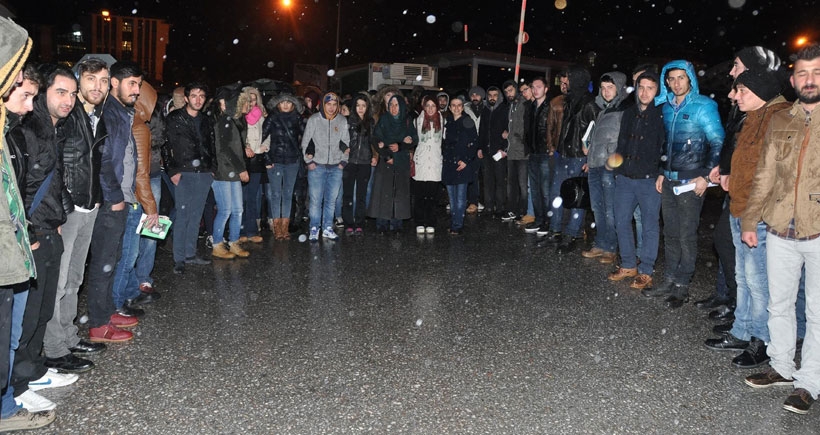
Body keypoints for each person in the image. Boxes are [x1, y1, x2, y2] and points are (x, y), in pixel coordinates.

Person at [741, 44, 820, 415]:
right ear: (793, 79)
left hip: (818, 230)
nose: (809, 79)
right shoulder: (780, 120)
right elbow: (764, 175)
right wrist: (749, 219)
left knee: (818, 312)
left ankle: (809, 383)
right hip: (779, 228)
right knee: (779, 304)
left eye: (816, 72)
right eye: (803, 73)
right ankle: (782, 367)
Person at [703, 69, 790, 368]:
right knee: (743, 278)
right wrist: (725, 172)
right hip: (740, 206)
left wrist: (754, 216)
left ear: (759, 91)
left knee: (758, 281)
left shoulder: (777, 119)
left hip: (759, 214)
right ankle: (742, 330)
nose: (733, 95)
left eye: (740, 90)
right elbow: (746, 162)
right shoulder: (754, 116)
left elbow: (771, 174)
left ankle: (761, 340)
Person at [0, 16, 56, 431]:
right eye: (27, 93)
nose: (30, 105)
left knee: (11, 325)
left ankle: (6, 397)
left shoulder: (6, 129)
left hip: (12, 245)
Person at [12, 65, 79, 414]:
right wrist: (32, 231)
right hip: (35, 232)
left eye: (71, 93)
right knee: (28, 315)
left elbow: (51, 183)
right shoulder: (30, 130)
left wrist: (59, 218)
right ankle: (19, 384)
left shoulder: (54, 130)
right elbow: (21, 187)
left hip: (50, 228)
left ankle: (34, 370)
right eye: (60, 92)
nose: (68, 100)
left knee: (41, 310)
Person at [42, 57, 109, 374]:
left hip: (88, 205)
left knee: (74, 279)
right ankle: (53, 349)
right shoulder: (70, 116)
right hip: (68, 208)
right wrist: (64, 205)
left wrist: (95, 199)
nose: (98, 86)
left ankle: (67, 337)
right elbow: (56, 164)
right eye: (92, 79)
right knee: (58, 282)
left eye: (104, 81)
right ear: (79, 80)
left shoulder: (97, 117)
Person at [643, 59, 725, 308]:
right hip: (668, 179)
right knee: (670, 232)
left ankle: (682, 285)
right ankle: (669, 279)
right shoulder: (666, 107)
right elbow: (664, 144)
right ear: (666, 82)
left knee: (686, 235)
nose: (676, 83)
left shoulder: (704, 106)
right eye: (672, 78)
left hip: (692, 181)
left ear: (690, 78)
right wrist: (660, 171)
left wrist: (705, 175)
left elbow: (718, 142)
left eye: (681, 77)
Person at [83, 61, 147, 344]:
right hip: (111, 201)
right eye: (131, 84)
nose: (137, 90)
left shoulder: (121, 111)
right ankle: (98, 323)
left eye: (139, 84)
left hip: (118, 198)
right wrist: (115, 197)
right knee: (103, 263)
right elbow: (105, 159)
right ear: (115, 84)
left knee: (112, 260)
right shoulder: (110, 112)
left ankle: (106, 312)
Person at [608, 71, 665, 290]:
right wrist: (617, 168)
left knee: (650, 224)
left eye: (650, 88)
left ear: (657, 90)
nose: (644, 92)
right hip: (625, 177)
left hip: (648, 179)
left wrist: (661, 171)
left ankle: (646, 270)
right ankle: (629, 264)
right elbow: (622, 143)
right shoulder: (629, 113)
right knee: (621, 220)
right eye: (641, 87)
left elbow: (665, 145)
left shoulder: (662, 114)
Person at [109, 80, 159, 317]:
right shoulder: (139, 128)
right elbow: (140, 173)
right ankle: (118, 302)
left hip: (125, 196)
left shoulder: (128, 122)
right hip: (133, 199)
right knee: (128, 254)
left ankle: (128, 292)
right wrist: (151, 207)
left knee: (126, 252)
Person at [548, 66, 601, 253]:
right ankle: (555, 231)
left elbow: (595, 133)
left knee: (577, 197)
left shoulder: (590, 104)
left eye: (569, 78)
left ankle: (571, 234)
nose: (566, 82)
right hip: (563, 154)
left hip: (579, 156)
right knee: (556, 194)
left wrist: (590, 158)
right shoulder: (570, 101)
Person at [165, 82, 215, 273]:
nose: (198, 99)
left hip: (203, 172)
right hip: (183, 171)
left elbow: (211, 144)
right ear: (186, 98)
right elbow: (166, 145)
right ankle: (179, 258)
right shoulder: (175, 118)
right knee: (183, 215)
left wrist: (212, 169)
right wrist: (172, 171)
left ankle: (190, 253)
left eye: (201, 96)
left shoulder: (206, 120)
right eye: (194, 95)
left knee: (196, 215)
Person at [582, 72, 628, 264]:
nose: (606, 91)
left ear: (619, 88)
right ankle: (600, 243)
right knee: (597, 208)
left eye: (610, 87)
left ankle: (611, 247)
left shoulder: (624, 111)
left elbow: (622, 143)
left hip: (609, 168)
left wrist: (613, 164)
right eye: (603, 88)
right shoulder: (602, 112)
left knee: (610, 210)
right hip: (594, 165)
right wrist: (589, 155)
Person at [302, 92, 349, 241]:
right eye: (328, 104)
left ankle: (327, 227)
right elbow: (305, 141)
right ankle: (314, 227)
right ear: (323, 104)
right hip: (318, 166)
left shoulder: (342, 121)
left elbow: (346, 142)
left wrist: (343, 162)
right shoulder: (314, 119)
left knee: (331, 200)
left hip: (336, 167)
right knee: (316, 200)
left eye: (334, 104)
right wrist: (309, 162)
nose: (331, 107)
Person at [209, 86, 250, 260]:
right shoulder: (223, 121)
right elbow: (225, 149)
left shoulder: (232, 121)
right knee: (225, 210)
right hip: (223, 172)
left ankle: (233, 241)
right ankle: (217, 244)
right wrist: (241, 169)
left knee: (238, 209)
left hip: (231, 171)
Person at [368, 95, 417, 234]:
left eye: (396, 105)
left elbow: (414, 138)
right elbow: (376, 138)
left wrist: (400, 146)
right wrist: (387, 154)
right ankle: (382, 223)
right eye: (391, 105)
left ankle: (397, 223)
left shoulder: (407, 120)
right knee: (383, 192)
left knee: (400, 193)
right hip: (386, 161)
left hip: (401, 161)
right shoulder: (384, 120)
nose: (393, 108)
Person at [262, 92, 304, 240]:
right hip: (275, 161)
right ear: (278, 104)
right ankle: (276, 228)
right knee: (275, 194)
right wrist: (267, 158)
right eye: (282, 102)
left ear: (293, 104)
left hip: (292, 161)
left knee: (288, 194)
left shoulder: (298, 118)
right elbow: (263, 139)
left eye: (289, 102)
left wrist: (308, 151)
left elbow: (306, 137)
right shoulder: (272, 118)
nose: (285, 105)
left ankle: (284, 228)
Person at [441, 96, 478, 235]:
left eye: (459, 105)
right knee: (452, 198)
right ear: (450, 108)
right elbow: (444, 143)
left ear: (462, 107)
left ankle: (457, 225)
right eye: (453, 105)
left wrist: (466, 160)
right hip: (449, 164)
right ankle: (454, 222)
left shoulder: (467, 121)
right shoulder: (448, 122)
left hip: (463, 163)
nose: (456, 108)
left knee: (461, 197)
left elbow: (474, 142)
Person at [521, 77, 552, 236]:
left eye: (539, 87)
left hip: (546, 153)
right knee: (534, 189)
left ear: (546, 89)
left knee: (545, 190)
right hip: (533, 152)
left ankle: (548, 221)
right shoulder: (530, 106)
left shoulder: (551, 106)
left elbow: (554, 129)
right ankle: (539, 219)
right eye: (533, 87)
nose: (535, 90)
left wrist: (551, 148)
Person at [342, 94, 374, 235]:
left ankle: (359, 223)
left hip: (365, 162)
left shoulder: (371, 122)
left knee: (361, 195)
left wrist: (376, 156)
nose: (361, 108)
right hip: (350, 161)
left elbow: (373, 142)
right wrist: (344, 148)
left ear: (367, 107)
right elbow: (340, 139)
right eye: (358, 105)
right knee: (348, 195)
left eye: (363, 105)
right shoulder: (347, 121)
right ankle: (349, 222)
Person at [239, 86, 267, 243]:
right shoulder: (239, 116)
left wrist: (264, 146)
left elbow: (268, 133)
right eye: (248, 99)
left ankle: (251, 230)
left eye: (254, 98)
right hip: (243, 159)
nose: (251, 102)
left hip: (257, 159)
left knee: (252, 197)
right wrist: (245, 146)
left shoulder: (262, 115)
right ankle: (240, 230)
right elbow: (236, 136)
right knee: (241, 198)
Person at [412, 95, 444, 234]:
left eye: (433, 106)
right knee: (420, 196)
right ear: (423, 107)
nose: (430, 109)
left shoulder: (442, 121)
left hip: (435, 163)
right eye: (428, 105)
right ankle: (420, 222)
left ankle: (430, 221)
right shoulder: (417, 121)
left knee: (432, 196)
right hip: (421, 162)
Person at [478, 86, 509, 218]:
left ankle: (500, 208)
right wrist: (480, 147)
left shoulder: (504, 110)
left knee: (500, 181)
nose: (492, 97)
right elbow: (482, 130)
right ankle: (489, 207)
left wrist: (504, 148)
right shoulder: (484, 110)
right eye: (490, 95)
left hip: (499, 151)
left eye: (495, 95)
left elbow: (508, 131)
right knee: (487, 180)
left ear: (499, 96)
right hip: (486, 151)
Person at [502, 80, 528, 222]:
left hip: (523, 153)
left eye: (511, 90)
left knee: (523, 185)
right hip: (511, 151)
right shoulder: (511, 106)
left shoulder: (524, 105)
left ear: (516, 90)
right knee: (511, 184)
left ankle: (523, 211)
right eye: (506, 92)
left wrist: (509, 135)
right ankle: (512, 209)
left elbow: (524, 130)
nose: (509, 94)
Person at [464, 86, 485, 214]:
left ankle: (485, 201)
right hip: (470, 147)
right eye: (472, 95)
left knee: (487, 177)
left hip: (485, 147)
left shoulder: (488, 109)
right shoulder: (465, 110)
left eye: (477, 95)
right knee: (472, 175)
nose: (475, 97)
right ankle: (473, 201)